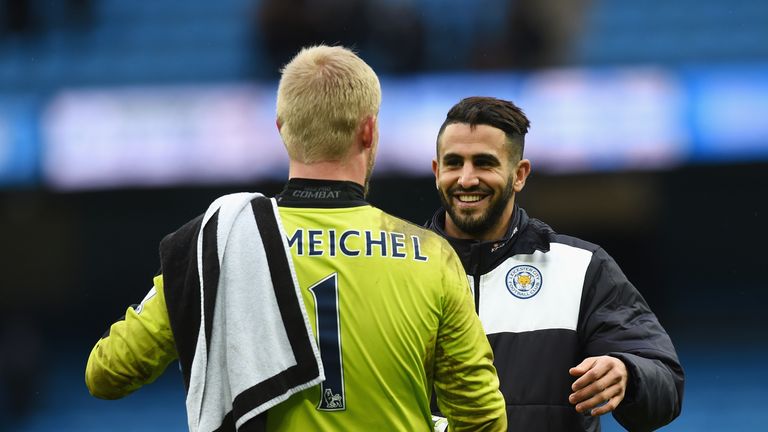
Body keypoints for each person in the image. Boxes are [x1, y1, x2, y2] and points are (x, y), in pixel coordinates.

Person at [85, 46, 507, 432]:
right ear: (368, 131)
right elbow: (482, 418)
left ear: (282, 129)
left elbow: (105, 373)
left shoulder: (221, 244)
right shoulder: (432, 255)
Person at [427, 96, 684, 431]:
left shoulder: (580, 268)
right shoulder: (398, 269)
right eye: (454, 163)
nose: (466, 179)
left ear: (519, 175)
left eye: (484, 163)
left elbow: (666, 386)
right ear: (436, 171)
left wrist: (627, 372)